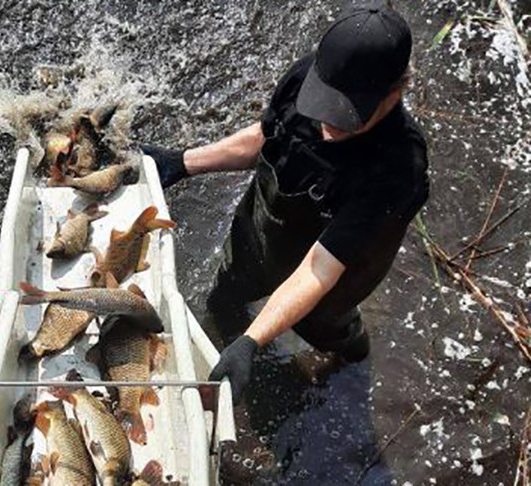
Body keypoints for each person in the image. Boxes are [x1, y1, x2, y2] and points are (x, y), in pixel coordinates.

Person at [144, 0, 429, 403]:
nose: (328, 123)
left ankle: (353, 356)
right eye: (324, 105)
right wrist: (185, 162)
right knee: (225, 294)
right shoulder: (307, 77)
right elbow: (269, 135)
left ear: (396, 90)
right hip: (261, 229)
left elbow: (320, 270)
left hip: (335, 272)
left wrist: (252, 341)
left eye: (348, 113)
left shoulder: (399, 168)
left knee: (326, 327)